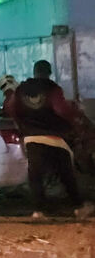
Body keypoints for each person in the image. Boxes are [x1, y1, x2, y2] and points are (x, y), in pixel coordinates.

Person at [7, 60, 93, 219]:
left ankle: (39, 211)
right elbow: (61, 109)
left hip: (31, 137)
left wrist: (23, 125)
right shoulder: (52, 88)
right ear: (49, 72)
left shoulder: (21, 90)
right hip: (54, 137)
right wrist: (73, 115)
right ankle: (78, 207)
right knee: (66, 173)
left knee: (35, 175)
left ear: (34, 72)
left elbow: (12, 108)